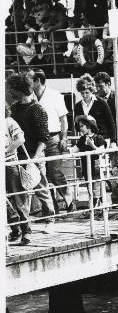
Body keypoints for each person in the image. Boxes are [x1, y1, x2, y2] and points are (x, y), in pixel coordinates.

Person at [7, 73, 56, 232]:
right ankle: (24, 226)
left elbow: (44, 137)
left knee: (41, 187)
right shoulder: (13, 108)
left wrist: (35, 158)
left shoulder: (37, 109)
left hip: (34, 154)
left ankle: (50, 218)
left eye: (11, 88)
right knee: (22, 192)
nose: (9, 92)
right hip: (18, 156)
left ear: (19, 89)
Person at [26, 69, 73, 213]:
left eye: (29, 79)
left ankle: (68, 197)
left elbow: (63, 118)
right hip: (37, 140)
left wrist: (64, 137)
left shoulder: (54, 95)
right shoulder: (29, 97)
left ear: (37, 81)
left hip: (53, 137)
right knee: (41, 175)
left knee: (54, 172)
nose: (27, 82)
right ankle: (51, 208)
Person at [5, 103, 32, 245]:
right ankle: (15, 229)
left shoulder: (8, 121)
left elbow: (20, 139)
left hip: (9, 163)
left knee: (18, 197)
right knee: (4, 200)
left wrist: (5, 151)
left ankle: (26, 231)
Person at [70, 115, 106, 205]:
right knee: (90, 188)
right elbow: (74, 150)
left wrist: (92, 145)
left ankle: (99, 207)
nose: (80, 128)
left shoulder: (99, 138)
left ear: (89, 126)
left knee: (97, 189)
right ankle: (96, 208)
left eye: (82, 126)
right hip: (86, 167)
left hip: (96, 167)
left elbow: (101, 152)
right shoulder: (82, 139)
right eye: (80, 126)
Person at [74, 74, 116, 146]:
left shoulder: (101, 102)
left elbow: (110, 122)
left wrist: (113, 141)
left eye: (87, 92)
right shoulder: (77, 106)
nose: (84, 95)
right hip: (86, 140)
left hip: (103, 139)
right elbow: (77, 126)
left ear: (92, 91)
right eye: (82, 93)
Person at [94, 71, 118, 145]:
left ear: (108, 84)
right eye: (96, 86)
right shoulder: (95, 99)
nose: (97, 89)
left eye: (100, 86)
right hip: (101, 137)